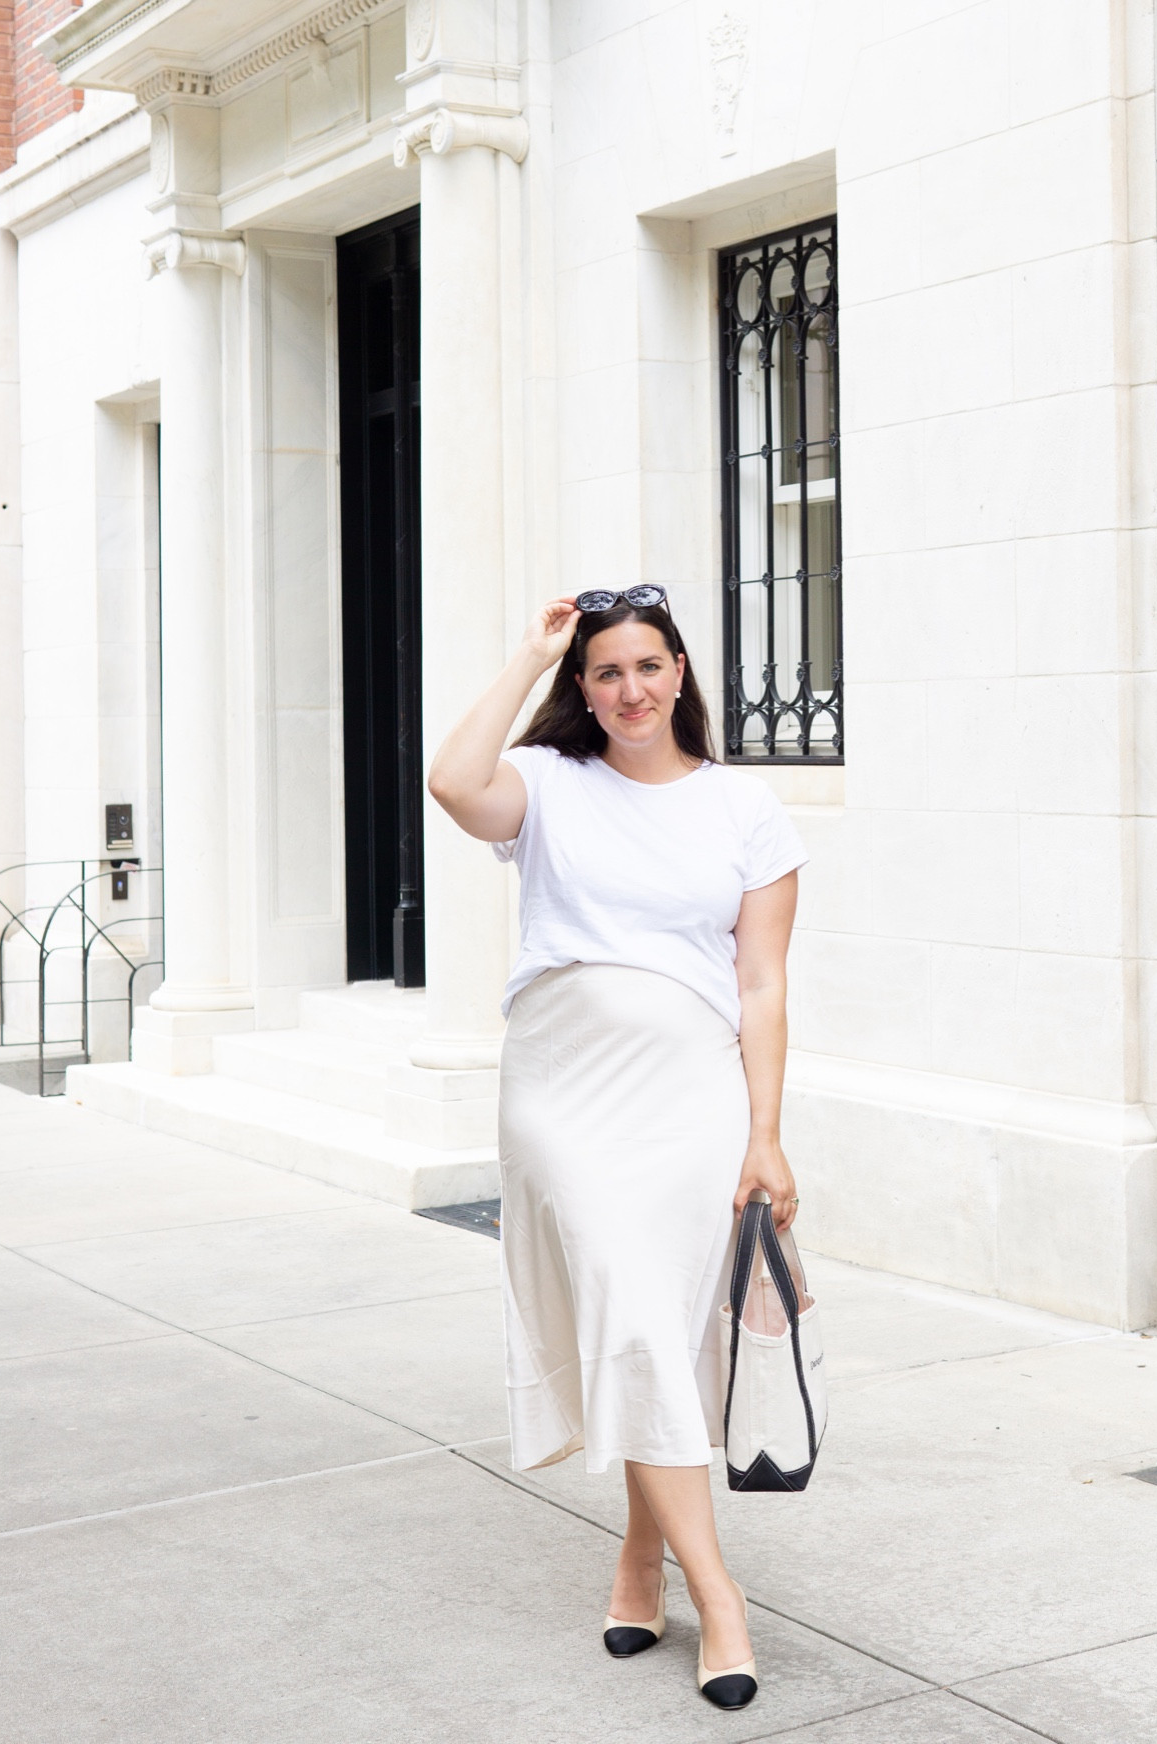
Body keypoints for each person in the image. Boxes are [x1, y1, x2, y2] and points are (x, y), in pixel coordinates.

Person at [428, 585, 806, 1711]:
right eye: (605, 672)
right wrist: (529, 653)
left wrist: (767, 1134)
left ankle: (641, 1561)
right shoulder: (546, 782)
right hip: (564, 1092)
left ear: (680, 672)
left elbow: (762, 982)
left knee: (659, 1332)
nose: (630, 689)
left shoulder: (743, 806)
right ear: (582, 690)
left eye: (648, 665)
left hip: (692, 1094)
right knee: (634, 1321)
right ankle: (720, 1597)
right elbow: (453, 782)